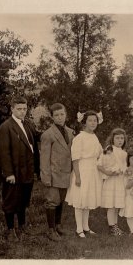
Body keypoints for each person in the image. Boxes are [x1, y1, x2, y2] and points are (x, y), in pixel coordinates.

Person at [0, 96, 40, 241]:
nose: (22, 112)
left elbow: (35, 139)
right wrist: (8, 173)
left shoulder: (27, 124)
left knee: (23, 200)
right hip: (14, 172)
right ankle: (10, 230)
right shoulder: (6, 127)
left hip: (26, 171)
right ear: (12, 109)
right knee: (10, 201)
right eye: (19, 109)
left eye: (24, 109)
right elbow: (3, 152)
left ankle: (22, 227)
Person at [65, 110, 103, 238]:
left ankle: (86, 227)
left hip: (92, 170)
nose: (93, 123)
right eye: (90, 120)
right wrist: (78, 176)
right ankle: (79, 229)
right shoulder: (79, 138)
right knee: (80, 199)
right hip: (82, 170)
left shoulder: (94, 137)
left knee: (88, 199)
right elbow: (75, 158)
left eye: (95, 120)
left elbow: (99, 154)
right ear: (84, 123)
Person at [40, 103, 74, 241]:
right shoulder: (48, 135)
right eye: (56, 115)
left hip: (66, 173)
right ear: (52, 117)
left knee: (60, 201)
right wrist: (46, 177)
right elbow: (44, 158)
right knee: (52, 201)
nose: (60, 117)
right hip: (53, 174)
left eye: (62, 114)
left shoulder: (70, 132)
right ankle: (51, 230)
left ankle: (58, 225)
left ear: (66, 114)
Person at [98, 128, 127, 236]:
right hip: (111, 181)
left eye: (122, 138)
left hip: (119, 181)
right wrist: (109, 173)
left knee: (116, 205)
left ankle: (115, 226)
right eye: (117, 138)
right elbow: (100, 165)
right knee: (111, 205)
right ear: (112, 139)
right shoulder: (109, 149)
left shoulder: (124, 153)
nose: (120, 140)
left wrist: (123, 171)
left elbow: (125, 167)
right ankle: (112, 228)